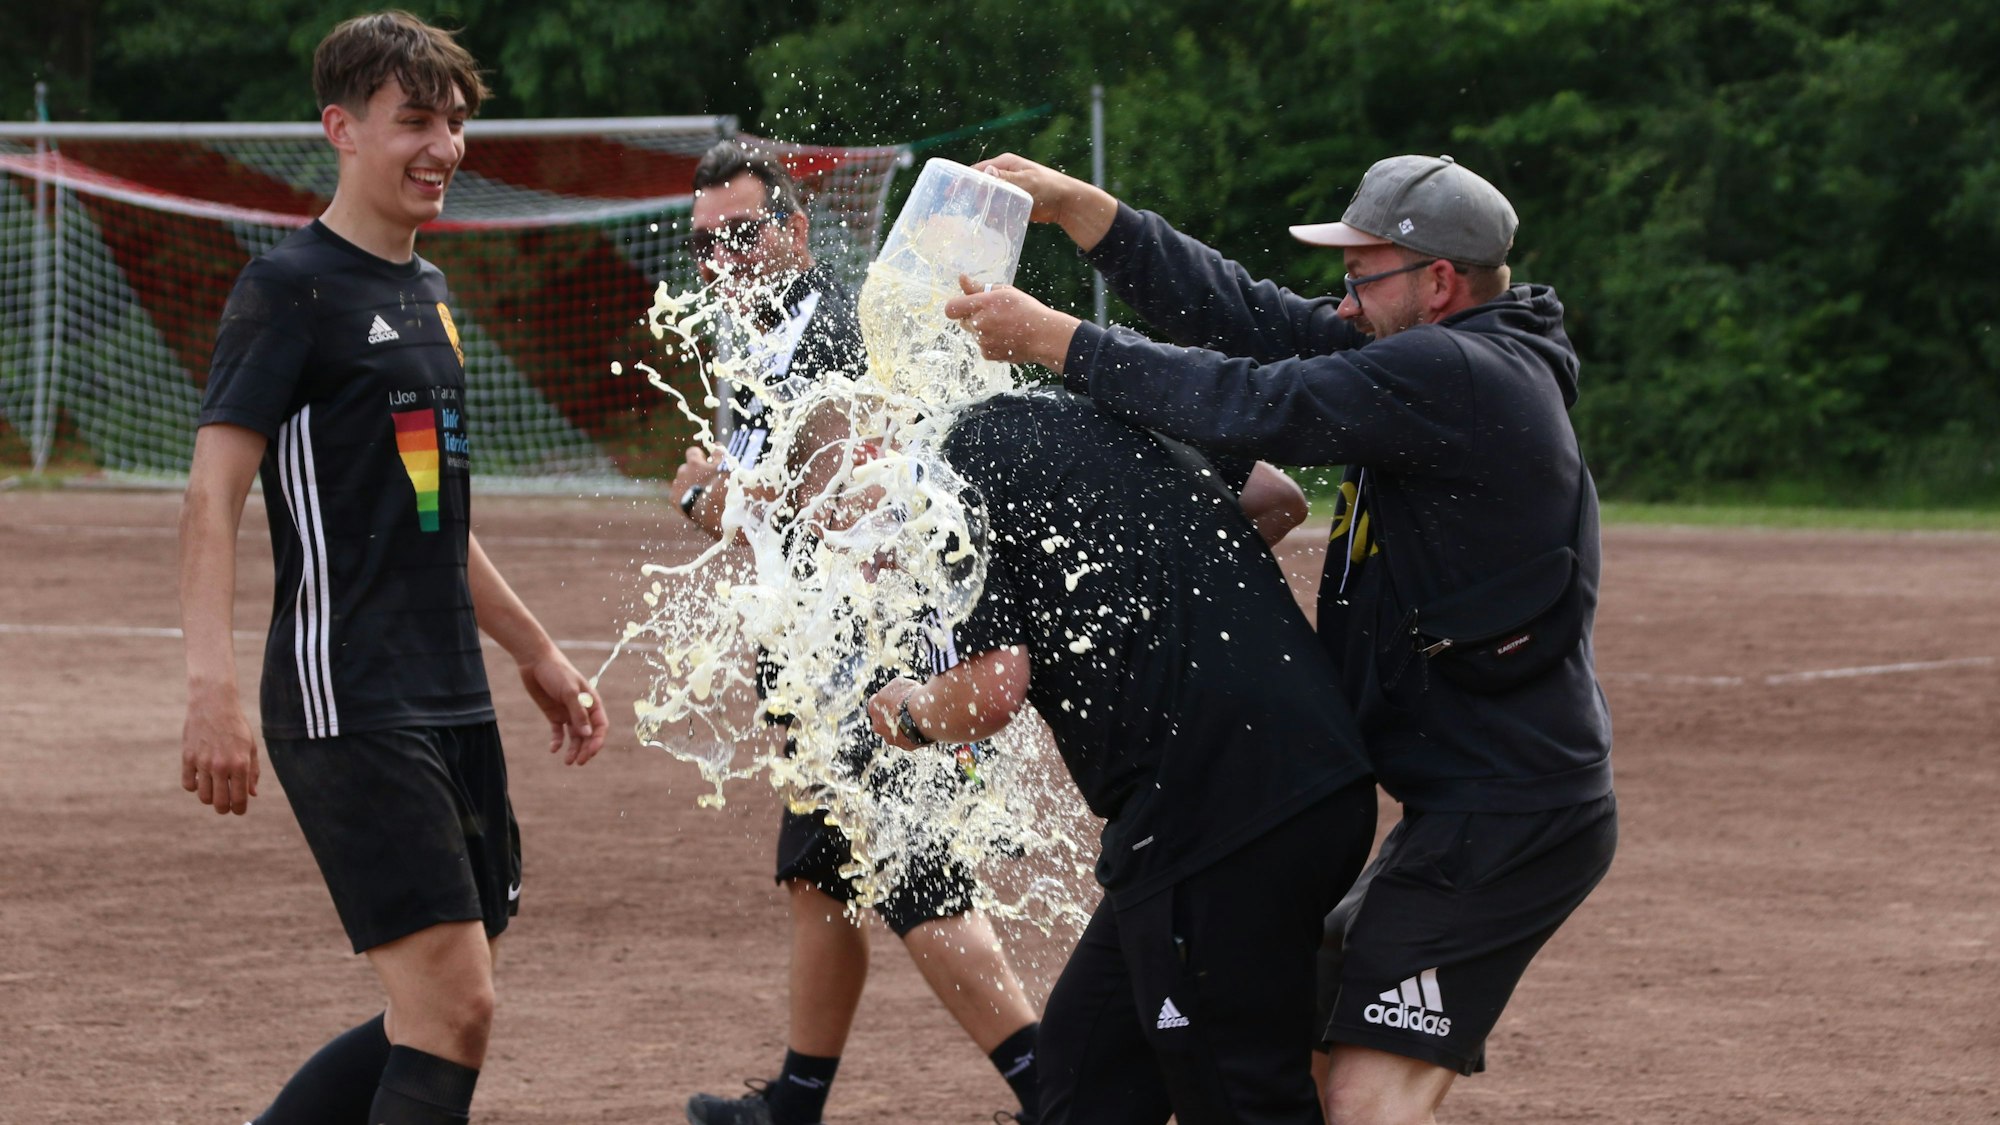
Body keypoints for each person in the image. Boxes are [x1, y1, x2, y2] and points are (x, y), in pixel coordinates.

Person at [944, 152, 1618, 1125]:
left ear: (1437, 282)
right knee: (1287, 1058)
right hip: (1463, 804)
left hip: (1509, 817)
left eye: (1360, 275)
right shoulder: (1433, 352)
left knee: (1356, 1097)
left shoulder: (1455, 372)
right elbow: (1253, 323)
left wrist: (1055, 341)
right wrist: (1093, 217)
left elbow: (1255, 402)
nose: (1340, 302)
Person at [177, 13, 607, 1125]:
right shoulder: (289, 290)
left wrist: (538, 651)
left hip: (448, 688)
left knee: (452, 994)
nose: (444, 147)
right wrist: (210, 690)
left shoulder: (428, 297)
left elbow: (433, 514)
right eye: (414, 120)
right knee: (453, 1010)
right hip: (347, 691)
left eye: (455, 123)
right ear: (342, 129)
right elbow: (213, 493)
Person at [859, 386, 1378, 1125]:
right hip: (1310, 777)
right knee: (1084, 1071)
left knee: (1237, 1100)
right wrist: (1143, 586)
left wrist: (909, 711)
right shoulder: (1087, 399)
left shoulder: (943, 468)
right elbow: (1279, 499)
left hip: (1217, 812)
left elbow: (993, 687)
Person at [670, 141, 1044, 1125]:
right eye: (701, 242)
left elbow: (830, 508)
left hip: (884, 660)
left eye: (742, 234)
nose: (720, 258)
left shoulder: (831, 331)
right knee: (821, 880)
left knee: (918, 885)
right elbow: (766, 499)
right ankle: (796, 1102)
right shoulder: (756, 334)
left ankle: (1055, 1091)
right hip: (827, 660)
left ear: (794, 231)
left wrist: (711, 495)